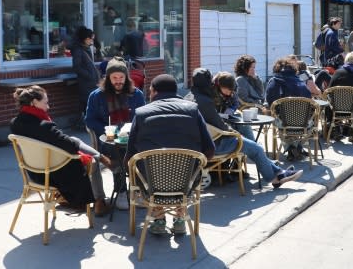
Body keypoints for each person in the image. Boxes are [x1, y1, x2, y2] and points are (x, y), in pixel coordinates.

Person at [124, 74, 215, 236]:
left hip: (151, 185)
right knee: (184, 176)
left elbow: (130, 154)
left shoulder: (141, 113)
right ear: (176, 91)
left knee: (145, 173)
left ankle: (158, 219)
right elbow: (209, 149)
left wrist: (131, 175)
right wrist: (197, 167)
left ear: (153, 91)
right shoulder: (193, 110)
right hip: (185, 183)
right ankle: (180, 218)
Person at [185, 68, 302, 188]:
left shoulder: (188, 98)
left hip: (198, 143)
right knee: (256, 148)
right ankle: (275, 178)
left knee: (252, 145)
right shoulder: (205, 101)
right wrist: (234, 133)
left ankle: (277, 172)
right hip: (214, 144)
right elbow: (220, 126)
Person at [10, 85, 110, 216]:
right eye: (46, 103)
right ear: (34, 103)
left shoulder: (15, 123)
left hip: (34, 173)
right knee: (93, 162)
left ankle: (100, 156)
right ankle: (99, 201)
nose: (48, 107)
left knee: (74, 140)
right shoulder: (44, 126)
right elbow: (68, 145)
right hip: (55, 173)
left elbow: (59, 141)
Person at [84, 58, 146, 210]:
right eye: (114, 78)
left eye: (121, 77)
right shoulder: (97, 96)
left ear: (126, 77)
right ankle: (121, 191)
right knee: (116, 151)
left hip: (131, 137)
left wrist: (130, 129)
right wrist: (107, 129)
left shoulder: (136, 94)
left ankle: (138, 190)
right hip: (108, 139)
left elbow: (143, 117)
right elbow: (90, 120)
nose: (118, 81)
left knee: (142, 150)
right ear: (108, 78)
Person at [265, 56, 312, 160]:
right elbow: (310, 99)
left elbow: (270, 102)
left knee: (279, 120)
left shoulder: (274, 81)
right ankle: (298, 146)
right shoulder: (300, 81)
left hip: (284, 122)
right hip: (304, 122)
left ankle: (291, 148)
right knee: (312, 122)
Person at [212, 71, 255, 141]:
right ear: (220, 85)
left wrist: (231, 109)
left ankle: (253, 143)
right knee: (234, 130)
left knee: (244, 124)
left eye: (231, 91)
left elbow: (236, 102)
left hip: (228, 116)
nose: (229, 94)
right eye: (226, 91)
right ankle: (246, 145)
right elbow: (209, 111)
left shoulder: (233, 88)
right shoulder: (211, 92)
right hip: (217, 121)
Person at [71, 26, 100, 119]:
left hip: (91, 83)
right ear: (86, 39)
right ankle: (86, 123)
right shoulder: (78, 50)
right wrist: (89, 75)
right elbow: (77, 67)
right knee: (87, 104)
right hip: (86, 84)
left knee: (91, 104)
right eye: (92, 39)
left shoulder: (86, 49)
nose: (92, 41)